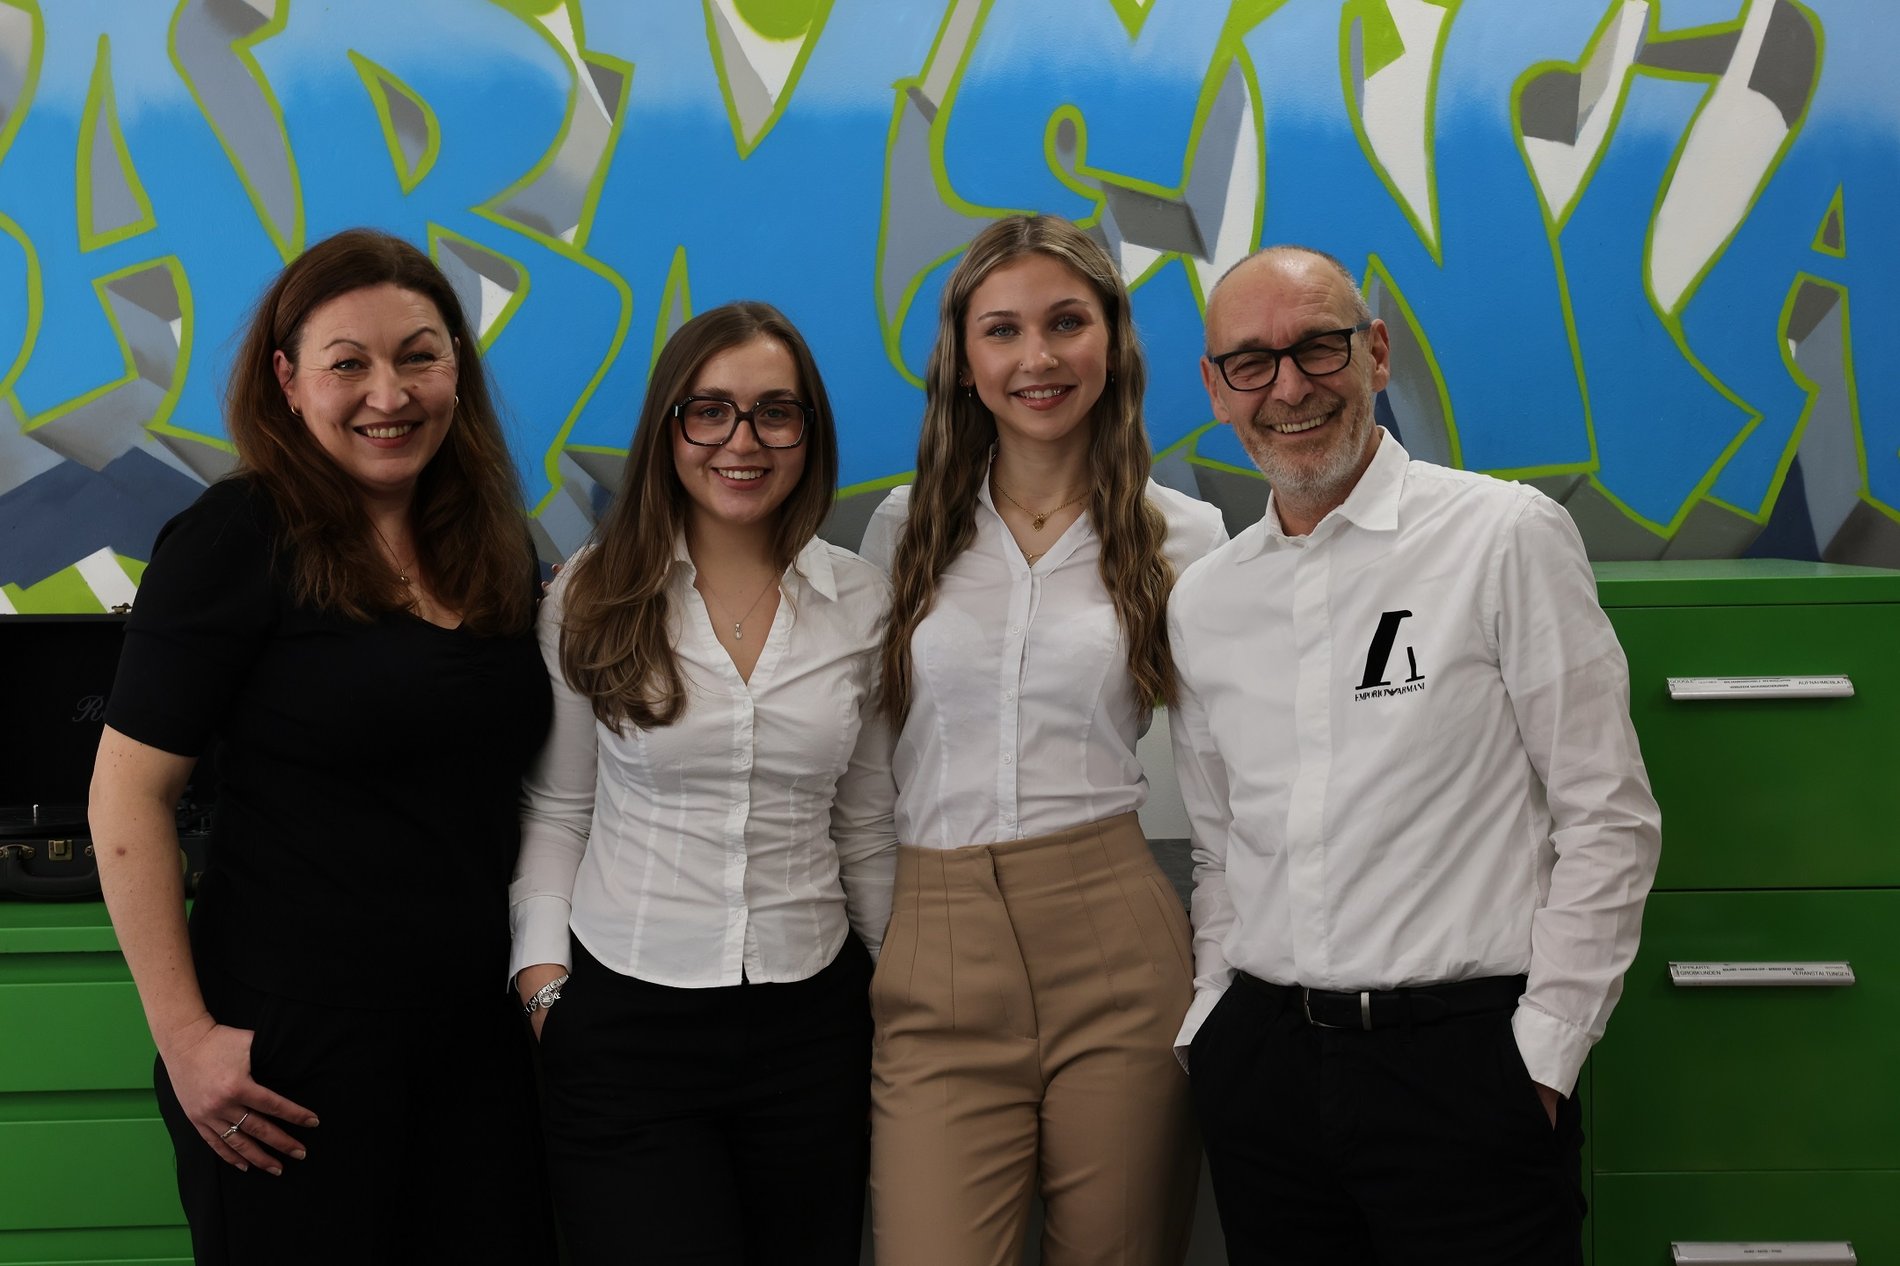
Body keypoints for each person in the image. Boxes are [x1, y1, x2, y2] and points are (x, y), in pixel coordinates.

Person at [1170, 244, 1663, 1264]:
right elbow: (1218, 847)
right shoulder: (1205, 599)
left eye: (1319, 347)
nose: (1289, 388)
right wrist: (1213, 1021)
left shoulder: (1503, 536)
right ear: (1217, 390)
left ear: (1377, 353)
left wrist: (1542, 1057)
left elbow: (1608, 816)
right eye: (1252, 363)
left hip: (1467, 1072)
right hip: (1265, 1073)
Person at [88, 228, 555, 1263]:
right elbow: (124, 800)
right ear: (288, 382)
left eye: (420, 356)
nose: (390, 394)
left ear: (457, 371)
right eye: (349, 364)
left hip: (474, 1049)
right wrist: (187, 1043)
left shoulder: (493, 543)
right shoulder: (236, 536)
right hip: (286, 1058)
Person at [860, 213, 1226, 1266]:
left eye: (1067, 322)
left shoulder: (1186, 535)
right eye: (1003, 330)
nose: (1038, 357)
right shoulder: (902, 531)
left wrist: (1222, 973)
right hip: (935, 942)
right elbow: (860, 762)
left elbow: (1227, 783)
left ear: (1112, 342)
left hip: (1116, 938)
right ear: (962, 361)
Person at [508, 301, 896, 1265]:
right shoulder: (591, 596)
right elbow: (559, 812)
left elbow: (866, 826)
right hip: (624, 1021)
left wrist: (902, 997)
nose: (742, 441)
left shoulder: (865, 605)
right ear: (668, 429)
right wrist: (542, 986)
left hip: (814, 1026)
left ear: (808, 431)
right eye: (710, 411)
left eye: (775, 412)